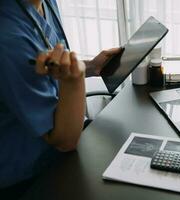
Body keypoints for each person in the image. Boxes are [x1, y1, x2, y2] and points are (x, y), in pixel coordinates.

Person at [0, 0, 122, 198]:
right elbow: (63, 140)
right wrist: (74, 81)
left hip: (59, 154)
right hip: (27, 177)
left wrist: (91, 66)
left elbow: (48, 67)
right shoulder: (8, 35)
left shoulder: (45, 4)